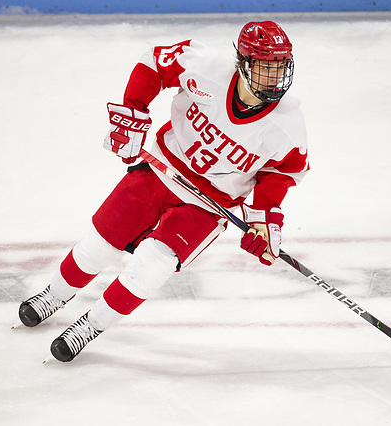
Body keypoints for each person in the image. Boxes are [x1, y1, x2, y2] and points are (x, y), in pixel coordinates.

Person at [18, 20, 309, 362]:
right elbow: (154, 64)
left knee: (152, 266)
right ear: (243, 63)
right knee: (99, 244)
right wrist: (133, 111)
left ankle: (91, 325)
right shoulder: (204, 66)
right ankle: (54, 295)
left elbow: (281, 172)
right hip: (159, 169)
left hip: (209, 205)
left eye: (279, 68)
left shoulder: (287, 125)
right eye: (265, 68)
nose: (273, 78)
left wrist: (264, 219)